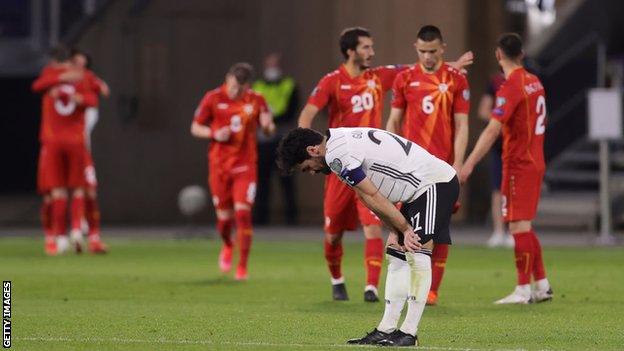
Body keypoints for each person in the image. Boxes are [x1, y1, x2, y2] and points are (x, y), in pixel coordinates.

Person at [298, 26, 472, 302]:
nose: (372, 52)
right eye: (366, 47)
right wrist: (307, 149)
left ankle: (373, 288)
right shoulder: (332, 81)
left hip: (372, 167)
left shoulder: (378, 77)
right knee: (333, 234)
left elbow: (419, 65)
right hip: (340, 166)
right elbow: (307, 114)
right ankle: (337, 280)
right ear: (351, 51)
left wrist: (452, 64)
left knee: (375, 225)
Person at [276, 127, 459, 347]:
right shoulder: (339, 141)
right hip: (417, 189)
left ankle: (409, 332)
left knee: (416, 249)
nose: (312, 172)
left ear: (313, 150)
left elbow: (372, 194)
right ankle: (386, 329)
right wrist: (396, 227)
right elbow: (365, 196)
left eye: (307, 168)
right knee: (396, 251)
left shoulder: (336, 155)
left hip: (434, 183)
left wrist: (404, 227)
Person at [459, 33, 553, 304]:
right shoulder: (535, 82)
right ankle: (542, 284)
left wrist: (468, 163)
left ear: (499, 55)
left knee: (518, 227)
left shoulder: (510, 86)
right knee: (524, 225)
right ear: (521, 54)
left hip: (518, 163)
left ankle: (523, 289)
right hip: (535, 158)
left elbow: (491, 130)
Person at [386, 25, 470, 306]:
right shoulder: (405, 78)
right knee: (402, 224)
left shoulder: (457, 79)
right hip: (409, 167)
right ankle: (402, 284)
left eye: (432, 51)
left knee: (440, 227)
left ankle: (431, 290)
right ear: (416, 48)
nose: (428, 56)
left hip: (442, 169)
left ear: (442, 49)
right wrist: (389, 154)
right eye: (422, 51)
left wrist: (458, 163)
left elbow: (462, 125)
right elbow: (394, 120)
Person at [191, 63, 275, 280]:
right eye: (233, 86)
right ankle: (228, 244)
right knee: (224, 220)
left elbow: (268, 126)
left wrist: (267, 126)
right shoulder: (213, 98)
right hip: (219, 166)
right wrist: (214, 133)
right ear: (228, 78)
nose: (235, 91)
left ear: (248, 86)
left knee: (243, 213)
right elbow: (195, 127)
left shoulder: (256, 99)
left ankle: (242, 267)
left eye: (240, 88)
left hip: (245, 165)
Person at [32, 44, 99, 255]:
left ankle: (61, 237)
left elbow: (36, 86)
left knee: (58, 191)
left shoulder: (50, 75)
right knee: (78, 189)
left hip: (53, 142)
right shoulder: (81, 76)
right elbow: (94, 98)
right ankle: (74, 232)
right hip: (75, 141)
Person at [252, 53, 299, 225]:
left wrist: (272, 120)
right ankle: (261, 218)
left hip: (282, 140)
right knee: (262, 181)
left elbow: (292, 110)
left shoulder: (289, 85)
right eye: (269, 64)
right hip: (263, 141)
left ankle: (291, 218)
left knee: (286, 179)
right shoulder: (257, 86)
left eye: (275, 65)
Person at [71, 48, 110, 253]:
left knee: (87, 189)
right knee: (77, 189)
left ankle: (86, 234)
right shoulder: (64, 82)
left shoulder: (85, 79)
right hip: (75, 147)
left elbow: (102, 91)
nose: (79, 67)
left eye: (82, 63)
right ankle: (74, 232)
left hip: (77, 146)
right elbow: (100, 94)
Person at [478, 72, 514, 248]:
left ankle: (514, 231)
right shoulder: (495, 82)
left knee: (515, 190)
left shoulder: (527, 81)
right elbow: (483, 110)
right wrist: (500, 122)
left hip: (517, 147)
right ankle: (499, 231)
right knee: (497, 190)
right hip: (499, 147)